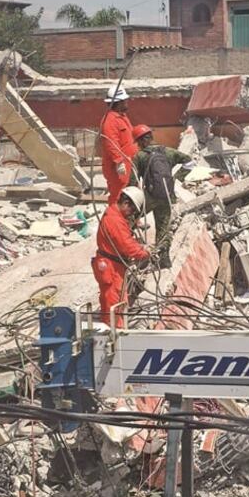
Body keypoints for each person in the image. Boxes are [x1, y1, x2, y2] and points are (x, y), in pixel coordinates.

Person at [132, 124, 193, 268]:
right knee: (163, 229)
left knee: (128, 219)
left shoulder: (139, 156)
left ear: (139, 142)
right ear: (151, 137)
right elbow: (190, 162)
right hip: (167, 195)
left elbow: (132, 182)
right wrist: (177, 177)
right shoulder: (167, 151)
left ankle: (129, 252)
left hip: (150, 197)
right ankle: (164, 260)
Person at [92, 186, 151, 327]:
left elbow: (125, 241)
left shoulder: (115, 215)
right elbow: (127, 246)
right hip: (111, 267)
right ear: (125, 203)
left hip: (113, 264)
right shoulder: (115, 221)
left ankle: (114, 328)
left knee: (114, 300)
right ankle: (114, 334)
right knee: (114, 302)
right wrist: (145, 252)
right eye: (132, 210)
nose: (131, 214)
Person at [100, 84, 138, 205]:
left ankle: (132, 221)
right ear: (118, 102)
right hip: (118, 167)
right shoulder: (109, 121)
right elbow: (111, 143)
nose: (127, 103)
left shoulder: (122, 117)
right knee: (118, 195)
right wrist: (119, 162)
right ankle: (115, 221)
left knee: (131, 194)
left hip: (129, 163)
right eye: (124, 101)